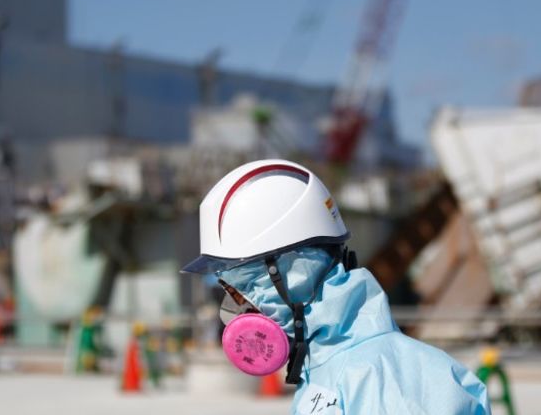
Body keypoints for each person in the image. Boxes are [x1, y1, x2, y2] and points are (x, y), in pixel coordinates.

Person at [183, 159, 490, 415]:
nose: (236, 306)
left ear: (296, 273)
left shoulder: (389, 382)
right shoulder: (327, 368)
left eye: (244, 284)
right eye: (230, 288)